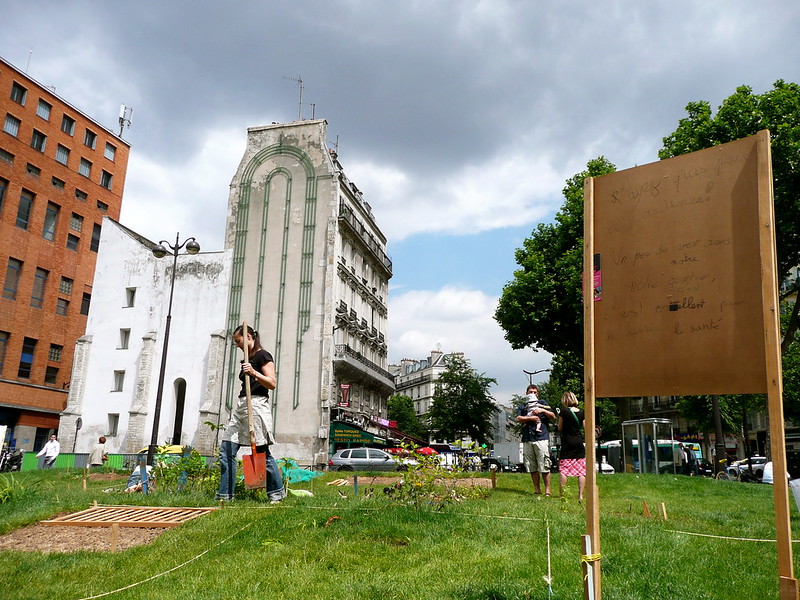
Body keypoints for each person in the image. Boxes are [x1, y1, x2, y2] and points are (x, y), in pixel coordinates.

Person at [216, 325, 286, 503]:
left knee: (261, 451)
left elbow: (272, 383)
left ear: (248, 337)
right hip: (241, 407)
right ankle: (225, 495)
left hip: (256, 405)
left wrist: (253, 372)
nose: (237, 345)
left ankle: (277, 493)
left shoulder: (263, 355)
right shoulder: (248, 358)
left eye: (238, 341)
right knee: (226, 450)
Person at [516, 384, 556, 496]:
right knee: (531, 466)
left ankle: (547, 490)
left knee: (544, 465)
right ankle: (537, 489)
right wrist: (531, 418)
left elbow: (553, 415)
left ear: (538, 394)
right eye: (530, 392)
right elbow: (518, 418)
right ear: (526, 393)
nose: (532, 394)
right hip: (528, 438)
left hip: (541, 438)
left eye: (535, 392)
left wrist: (542, 411)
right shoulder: (523, 406)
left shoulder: (542, 403)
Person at [557, 391, 586, 501]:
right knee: (581, 471)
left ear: (565, 401)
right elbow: (585, 427)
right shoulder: (582, 412)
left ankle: (563, 494)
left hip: (567, 443)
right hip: (578, 443)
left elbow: (560, 427)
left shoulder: (564, 412)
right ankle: (580, 495)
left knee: (564, 471)